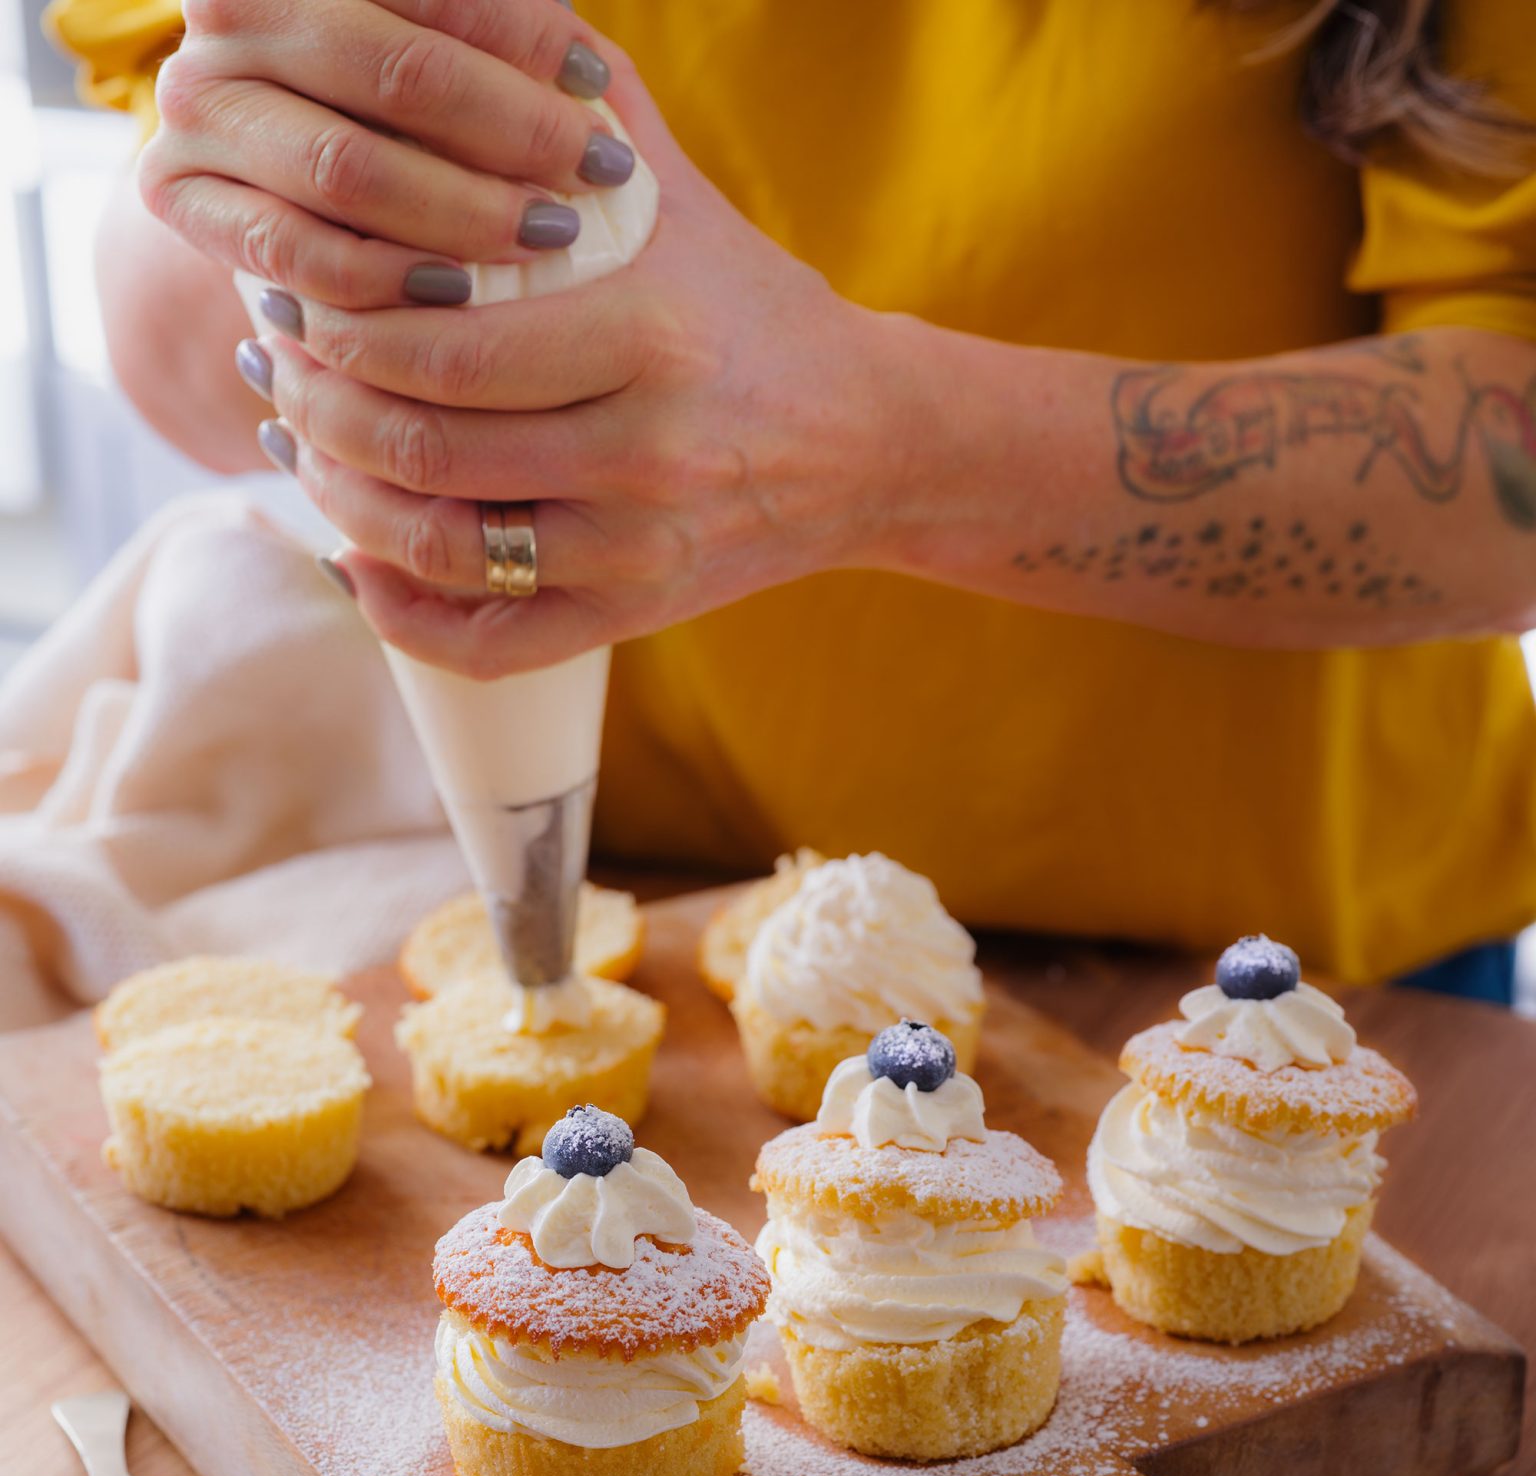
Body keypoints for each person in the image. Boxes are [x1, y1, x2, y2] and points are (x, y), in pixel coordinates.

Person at [46, 0, 1536, 994]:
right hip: (656, 950)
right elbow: (157, 285)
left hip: (1314, 988)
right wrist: (314, 233)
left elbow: (1507, 471)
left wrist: (873, 446)